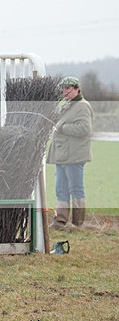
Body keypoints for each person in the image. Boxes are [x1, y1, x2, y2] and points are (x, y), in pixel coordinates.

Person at [48, 76, 93, 229]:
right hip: (62, 155)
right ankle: (60, 222)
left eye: (68, 88)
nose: (65, 91)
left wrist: (62, 128)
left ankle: (77, 224)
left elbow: (84, 129)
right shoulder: (67, 105)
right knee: (61, 189)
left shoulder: (83, 106)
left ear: (77, 89)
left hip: (74, 155)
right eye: (63, 88)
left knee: (76, 189)